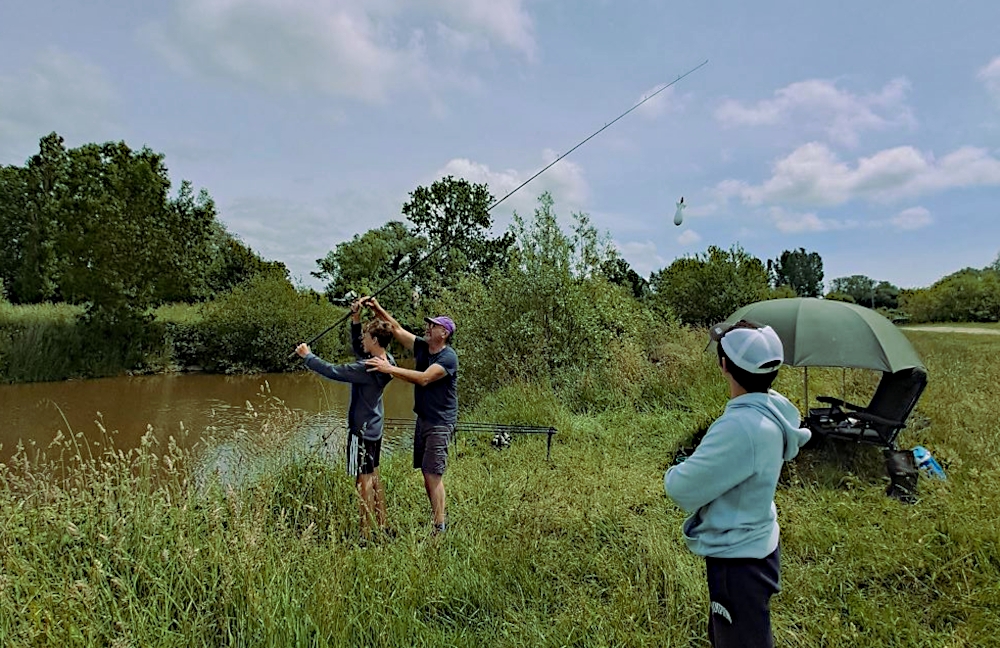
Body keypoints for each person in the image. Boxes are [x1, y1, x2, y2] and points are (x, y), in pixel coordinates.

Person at [664, 320, 811, 648]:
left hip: (737, 560)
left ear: (724, 366)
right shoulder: (773, 410)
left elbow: (681, 489)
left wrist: (676, 468)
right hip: (758, 542)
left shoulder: (741, 428)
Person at [295, 299, 396, 541]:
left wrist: (308, 356)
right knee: (373, 477)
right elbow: (358, 350)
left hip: (360, 432)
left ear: (375, 340)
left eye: (365, 335)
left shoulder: (367, 368)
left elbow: (333, 371)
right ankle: (382, 525)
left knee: (362, 481)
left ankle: (365, 534)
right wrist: (356, 319)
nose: (362, 339)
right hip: (375, 428)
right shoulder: (387, 361)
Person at [363, 298, 458, 536]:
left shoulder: (448, 358)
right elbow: (395, 330)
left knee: (432, 472)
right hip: (424, 418)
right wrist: (377, 308)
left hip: (440, 422)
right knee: (427, 472)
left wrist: (389, 369)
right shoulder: (423, 347)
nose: (427, 328)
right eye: (428, 325)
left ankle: (440, 526)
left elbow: (424, 378)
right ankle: (437, 520)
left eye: (432, 326)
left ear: (444, 333)